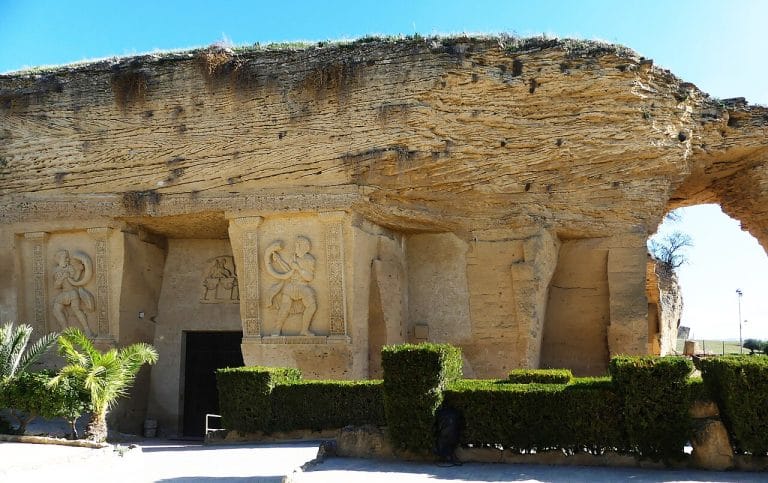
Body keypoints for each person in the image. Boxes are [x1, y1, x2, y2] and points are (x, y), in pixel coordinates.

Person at [265, 236, 317, 336]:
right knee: (285, 307)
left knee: (312, 306)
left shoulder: (309, 259)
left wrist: (299, 268)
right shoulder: (293, 257)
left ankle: (304, 330)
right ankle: (277, 329)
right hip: (291, 286)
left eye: (298, 246)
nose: (295, 248)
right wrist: (279, 260)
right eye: (296, 245)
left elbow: (309, 277)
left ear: (303, 247)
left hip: (303, 286)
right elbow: (289, 272)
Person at [52, 250, 94, 336]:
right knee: (56, 309)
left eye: (68, 257)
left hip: (72, 293)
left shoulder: (69, 268)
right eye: (65, 258)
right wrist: (62, 278)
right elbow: (56, 286)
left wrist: (79, 271)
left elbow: (75, 279)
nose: (67, 259)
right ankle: (65, 329)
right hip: (64, 294)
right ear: (59, 259)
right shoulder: (56, 271)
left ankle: (87, 330)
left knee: (76, 310)